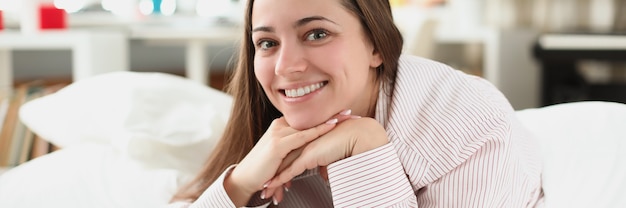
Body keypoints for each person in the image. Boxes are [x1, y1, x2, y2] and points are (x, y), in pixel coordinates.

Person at [168, 0, 544, 207]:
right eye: (267, 43)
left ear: (377, 46)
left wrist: (365, 153)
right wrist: (239, 183)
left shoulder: (468, 127)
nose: (285, 67)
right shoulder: (268, 140)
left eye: (316, 34)